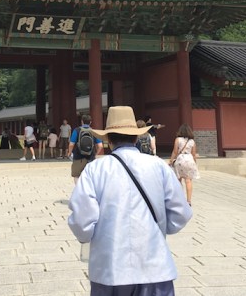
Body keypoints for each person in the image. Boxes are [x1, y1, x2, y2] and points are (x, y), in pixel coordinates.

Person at [68, 106, 192, 295]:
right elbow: (180, 214)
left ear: (108, 139)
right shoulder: (158, 166)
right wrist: (159, 229)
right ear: (136, 137)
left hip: (109, 270)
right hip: (155, 267)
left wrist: (90, 237)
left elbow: (82, 221)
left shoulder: (95, 169)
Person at [168, 123, 200, 206]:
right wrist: (195, 164)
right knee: (188, 180)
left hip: (180, 160)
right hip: (189, 159)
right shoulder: (192, 141)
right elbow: (194, 154)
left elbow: (175, 151)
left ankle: (179, 198)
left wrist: (171, 160)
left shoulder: (178, 139)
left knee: (178, 180)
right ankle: (188, 201)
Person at [67, 114, 103, 183]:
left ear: (82, 121)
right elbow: (100, 146)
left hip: (78, 157)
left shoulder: (76, 130)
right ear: (90, 122)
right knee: (90, 176)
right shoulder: (94, 131)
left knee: (77, 175)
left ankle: (78, 190)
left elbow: (71, 144)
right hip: (91, 157)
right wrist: (96, 154)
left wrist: (69, 153)